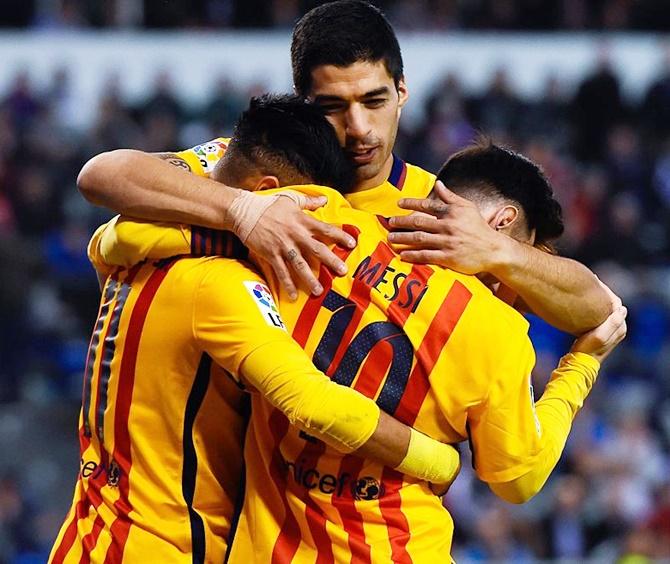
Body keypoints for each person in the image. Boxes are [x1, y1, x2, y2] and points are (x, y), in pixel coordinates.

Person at [93, 95, 627, 561]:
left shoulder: (323, 221)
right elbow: (517, 478)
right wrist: (581, 366)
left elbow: (126, 232)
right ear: (505, 225)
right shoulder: (500, 334)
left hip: (268, 546)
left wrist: (115, 249)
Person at [48, 97, 462, 564]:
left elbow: (106, 242)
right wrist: (441, 461)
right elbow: (313, 403)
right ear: (266, 191)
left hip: (89, 530)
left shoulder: (143, 232)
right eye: (302, 212)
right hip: (164, 544)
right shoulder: (221, 284)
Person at [76, 0, 613, 336]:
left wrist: (497, 250)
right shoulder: (255, 168)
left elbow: (596, 306)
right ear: (304, 103)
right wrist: (243, 211)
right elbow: (103, 174)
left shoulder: (436, 207)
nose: (359, 128)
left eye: (375, 100)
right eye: (333, 106)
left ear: (403, 92)